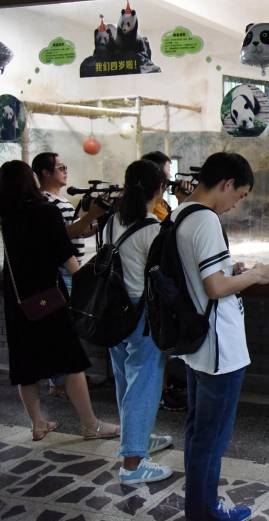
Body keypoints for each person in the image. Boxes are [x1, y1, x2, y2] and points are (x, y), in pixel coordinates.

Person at [175, 152, 269, 521]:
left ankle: (200, 508)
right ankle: (203, 513)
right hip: (220, 348)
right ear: (227, 183)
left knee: (197, 433)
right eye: (241, 194)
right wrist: (255, 274)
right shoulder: (205, 220)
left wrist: (230, 269)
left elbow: (200, 277)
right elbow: (215, 287)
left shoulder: (180, 214)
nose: (238, 203)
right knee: (211, 439)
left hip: (197, 345)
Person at [0, 160, 120, 442]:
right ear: (30, 180)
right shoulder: (45, 211)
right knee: (71, 361)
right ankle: (90, 424)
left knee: (26, 364)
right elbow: (64, 254)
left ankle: (38, 423)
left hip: (18, 300)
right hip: (48, 296)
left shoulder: (6, 215)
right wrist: (85, 282)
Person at [107, 160, 175, 484]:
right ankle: (133, 464)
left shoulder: (109, 224)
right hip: (140, 315)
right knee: (144, 382)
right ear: (159, 191)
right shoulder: (151, 229)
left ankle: (140, 438)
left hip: (113, 312)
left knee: (126, 384)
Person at [32, 151, 106, 397]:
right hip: (63, 274)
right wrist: (92, 216)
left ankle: (65, 379)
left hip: (68, 272)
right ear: (45, 172)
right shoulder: (48, 203)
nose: (65, 170)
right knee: (64, 329)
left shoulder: (57, 201)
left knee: (67, 328)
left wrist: (95, 223)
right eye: (60, 166)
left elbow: (75, 231)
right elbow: (64, 236)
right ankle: (61, 381)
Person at [141, 150, 190, 413]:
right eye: (167, 174)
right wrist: (185, 205)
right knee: (148, 360)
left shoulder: (120, 217)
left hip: (135, 299)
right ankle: (157, 399)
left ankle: (162, 389)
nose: (171, 179)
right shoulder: (150, 220)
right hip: (146, 300)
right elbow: (168, 241)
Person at [141, 151, 190, 221]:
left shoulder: (160, 201)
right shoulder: (153, 203)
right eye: (168, 170)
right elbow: (170, 225)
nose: (170, 176)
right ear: (158, 173)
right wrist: (183, 203)